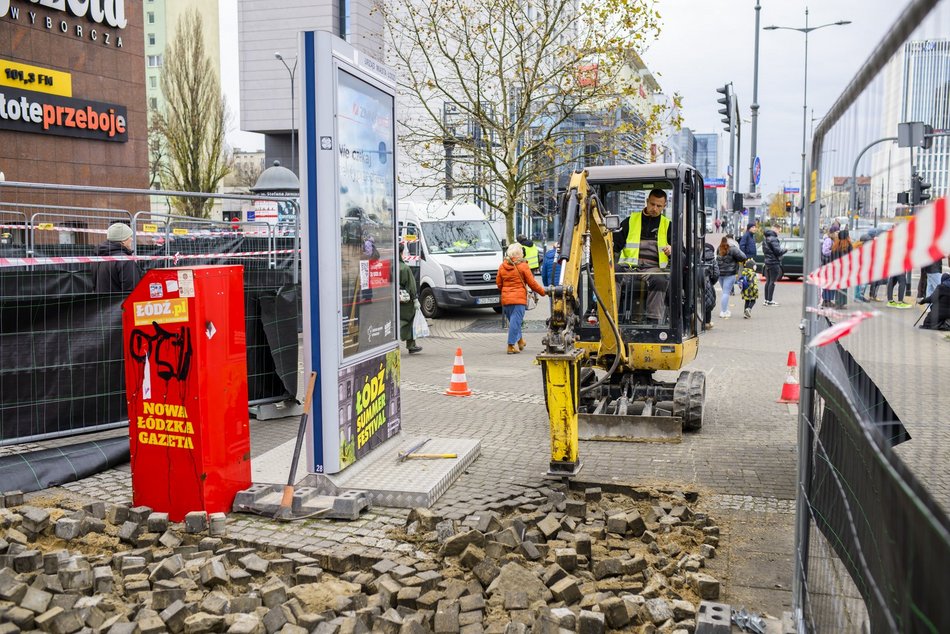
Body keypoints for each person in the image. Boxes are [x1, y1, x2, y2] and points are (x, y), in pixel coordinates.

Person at [613, 188, 673, 322]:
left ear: (664, 206)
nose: (655, 209)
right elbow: (615, 244)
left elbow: (680, 251)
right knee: (613, 272)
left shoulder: (668, 225)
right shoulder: (630, 221)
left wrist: (672, 250)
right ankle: (611, 315)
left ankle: (653, 320)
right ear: (647, 201)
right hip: (629, 267)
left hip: (653, 269)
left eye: (659, 206)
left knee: (660, 280)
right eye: (652, 204)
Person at [496, 243, 546, 354]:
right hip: (518, 299)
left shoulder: (502, 266)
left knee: (514, 321)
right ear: (519, 254)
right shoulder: (523, 266)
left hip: (506, 299)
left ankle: (520, 341)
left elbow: (499, 283)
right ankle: (511, 345)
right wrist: (543, 292)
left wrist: (506, 290)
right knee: (515, 322)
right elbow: (532, 283)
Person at [93, 223, 139, 293]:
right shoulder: (125, 260)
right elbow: (132, 290)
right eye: (130, 236)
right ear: (123, 240)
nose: (132, 239)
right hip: (120, 300)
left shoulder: (97, 257)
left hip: (101, 299)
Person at [715, 235, 745, 319]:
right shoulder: (733, 248)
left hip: (720, 274)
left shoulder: (719, 248)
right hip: (730, 274)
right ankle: (723, 311)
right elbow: (743, 257)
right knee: (726, 293)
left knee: (724, 292)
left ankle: (725, 309)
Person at [398, 256, 422, 354]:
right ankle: (411, 345)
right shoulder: (404, 268)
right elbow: (411, 285)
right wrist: (415, 299)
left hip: (392, 299)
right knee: (408, 321)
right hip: (405, 300)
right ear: (401, 253)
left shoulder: (389, 265)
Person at [761, 225, 786, 306]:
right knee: (772, 282)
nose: (779, 233)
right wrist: (785, 250)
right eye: (779, 231)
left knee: (768, 281)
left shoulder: (765, 238)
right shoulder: (773, 239)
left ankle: (766, 300)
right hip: (774, 262)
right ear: (775, 229)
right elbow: (778, 251)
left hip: (767, 262)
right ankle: (770, 300)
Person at [831, 229, 853, 308]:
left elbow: (832, 258)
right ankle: (842, 303)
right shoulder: (848, 246)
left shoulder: (835, 245)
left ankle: (837, 303)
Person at [702, 241, 719, 330]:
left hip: (695, 282)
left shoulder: (694, 254)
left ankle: (695, 323)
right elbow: (716, 273)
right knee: (708, 303)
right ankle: (707, 323)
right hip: (707, 282)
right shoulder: (712, 258)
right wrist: (711, 282)